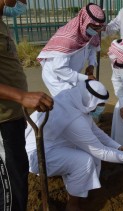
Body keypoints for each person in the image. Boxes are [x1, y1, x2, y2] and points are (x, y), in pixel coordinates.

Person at [25, 80, 123, 211]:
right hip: (37, 156)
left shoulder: (75, 99)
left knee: (90, 155)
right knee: (84, 161)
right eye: (100, 104)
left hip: (51, 143)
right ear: (91, 101)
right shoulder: (73, 119)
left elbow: (94, 130)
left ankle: (81, 188)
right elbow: (101, 152)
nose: (101, 108)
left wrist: (118, 147)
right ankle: (73, 205)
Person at [0, 1, 54, 210]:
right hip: (2, 122)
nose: (21, 3)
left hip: (10, 117)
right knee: (10, 191)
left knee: (18, 180)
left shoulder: (2, 22)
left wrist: (18, 107)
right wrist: (21, 96)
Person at [37, 3, 105, 97]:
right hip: (57, 78)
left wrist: (91, 65)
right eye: (94, 27)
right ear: (84, 21)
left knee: (79, 100)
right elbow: (59, 68)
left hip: (72, 75)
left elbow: (92, 47)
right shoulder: (67, 38)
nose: (96, 31)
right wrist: (85, 78)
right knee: (70, 103)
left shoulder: (89, 32)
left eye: (98, 28)